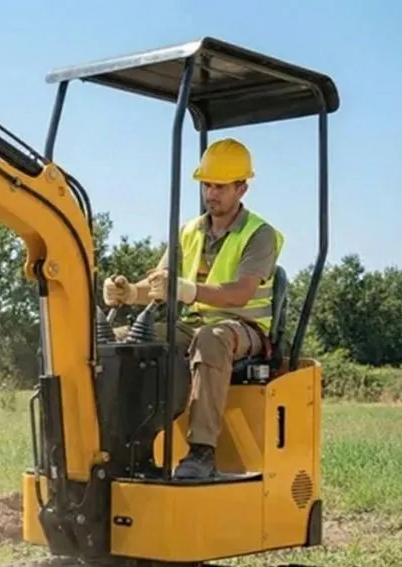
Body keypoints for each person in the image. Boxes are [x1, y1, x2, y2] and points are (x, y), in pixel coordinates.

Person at [103, 137, 284, 480]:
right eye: (207, 185)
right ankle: (126, 444)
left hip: (241, 328)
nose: (211, 194)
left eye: (220, 187)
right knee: (123, 341)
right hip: (191, 325)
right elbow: (158, 286)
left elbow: (242, 294)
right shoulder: (189, 232)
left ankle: (202, 452)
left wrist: (189, 290)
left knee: (210, 338)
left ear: (242, 188)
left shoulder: (260, 235)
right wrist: (127, 292)